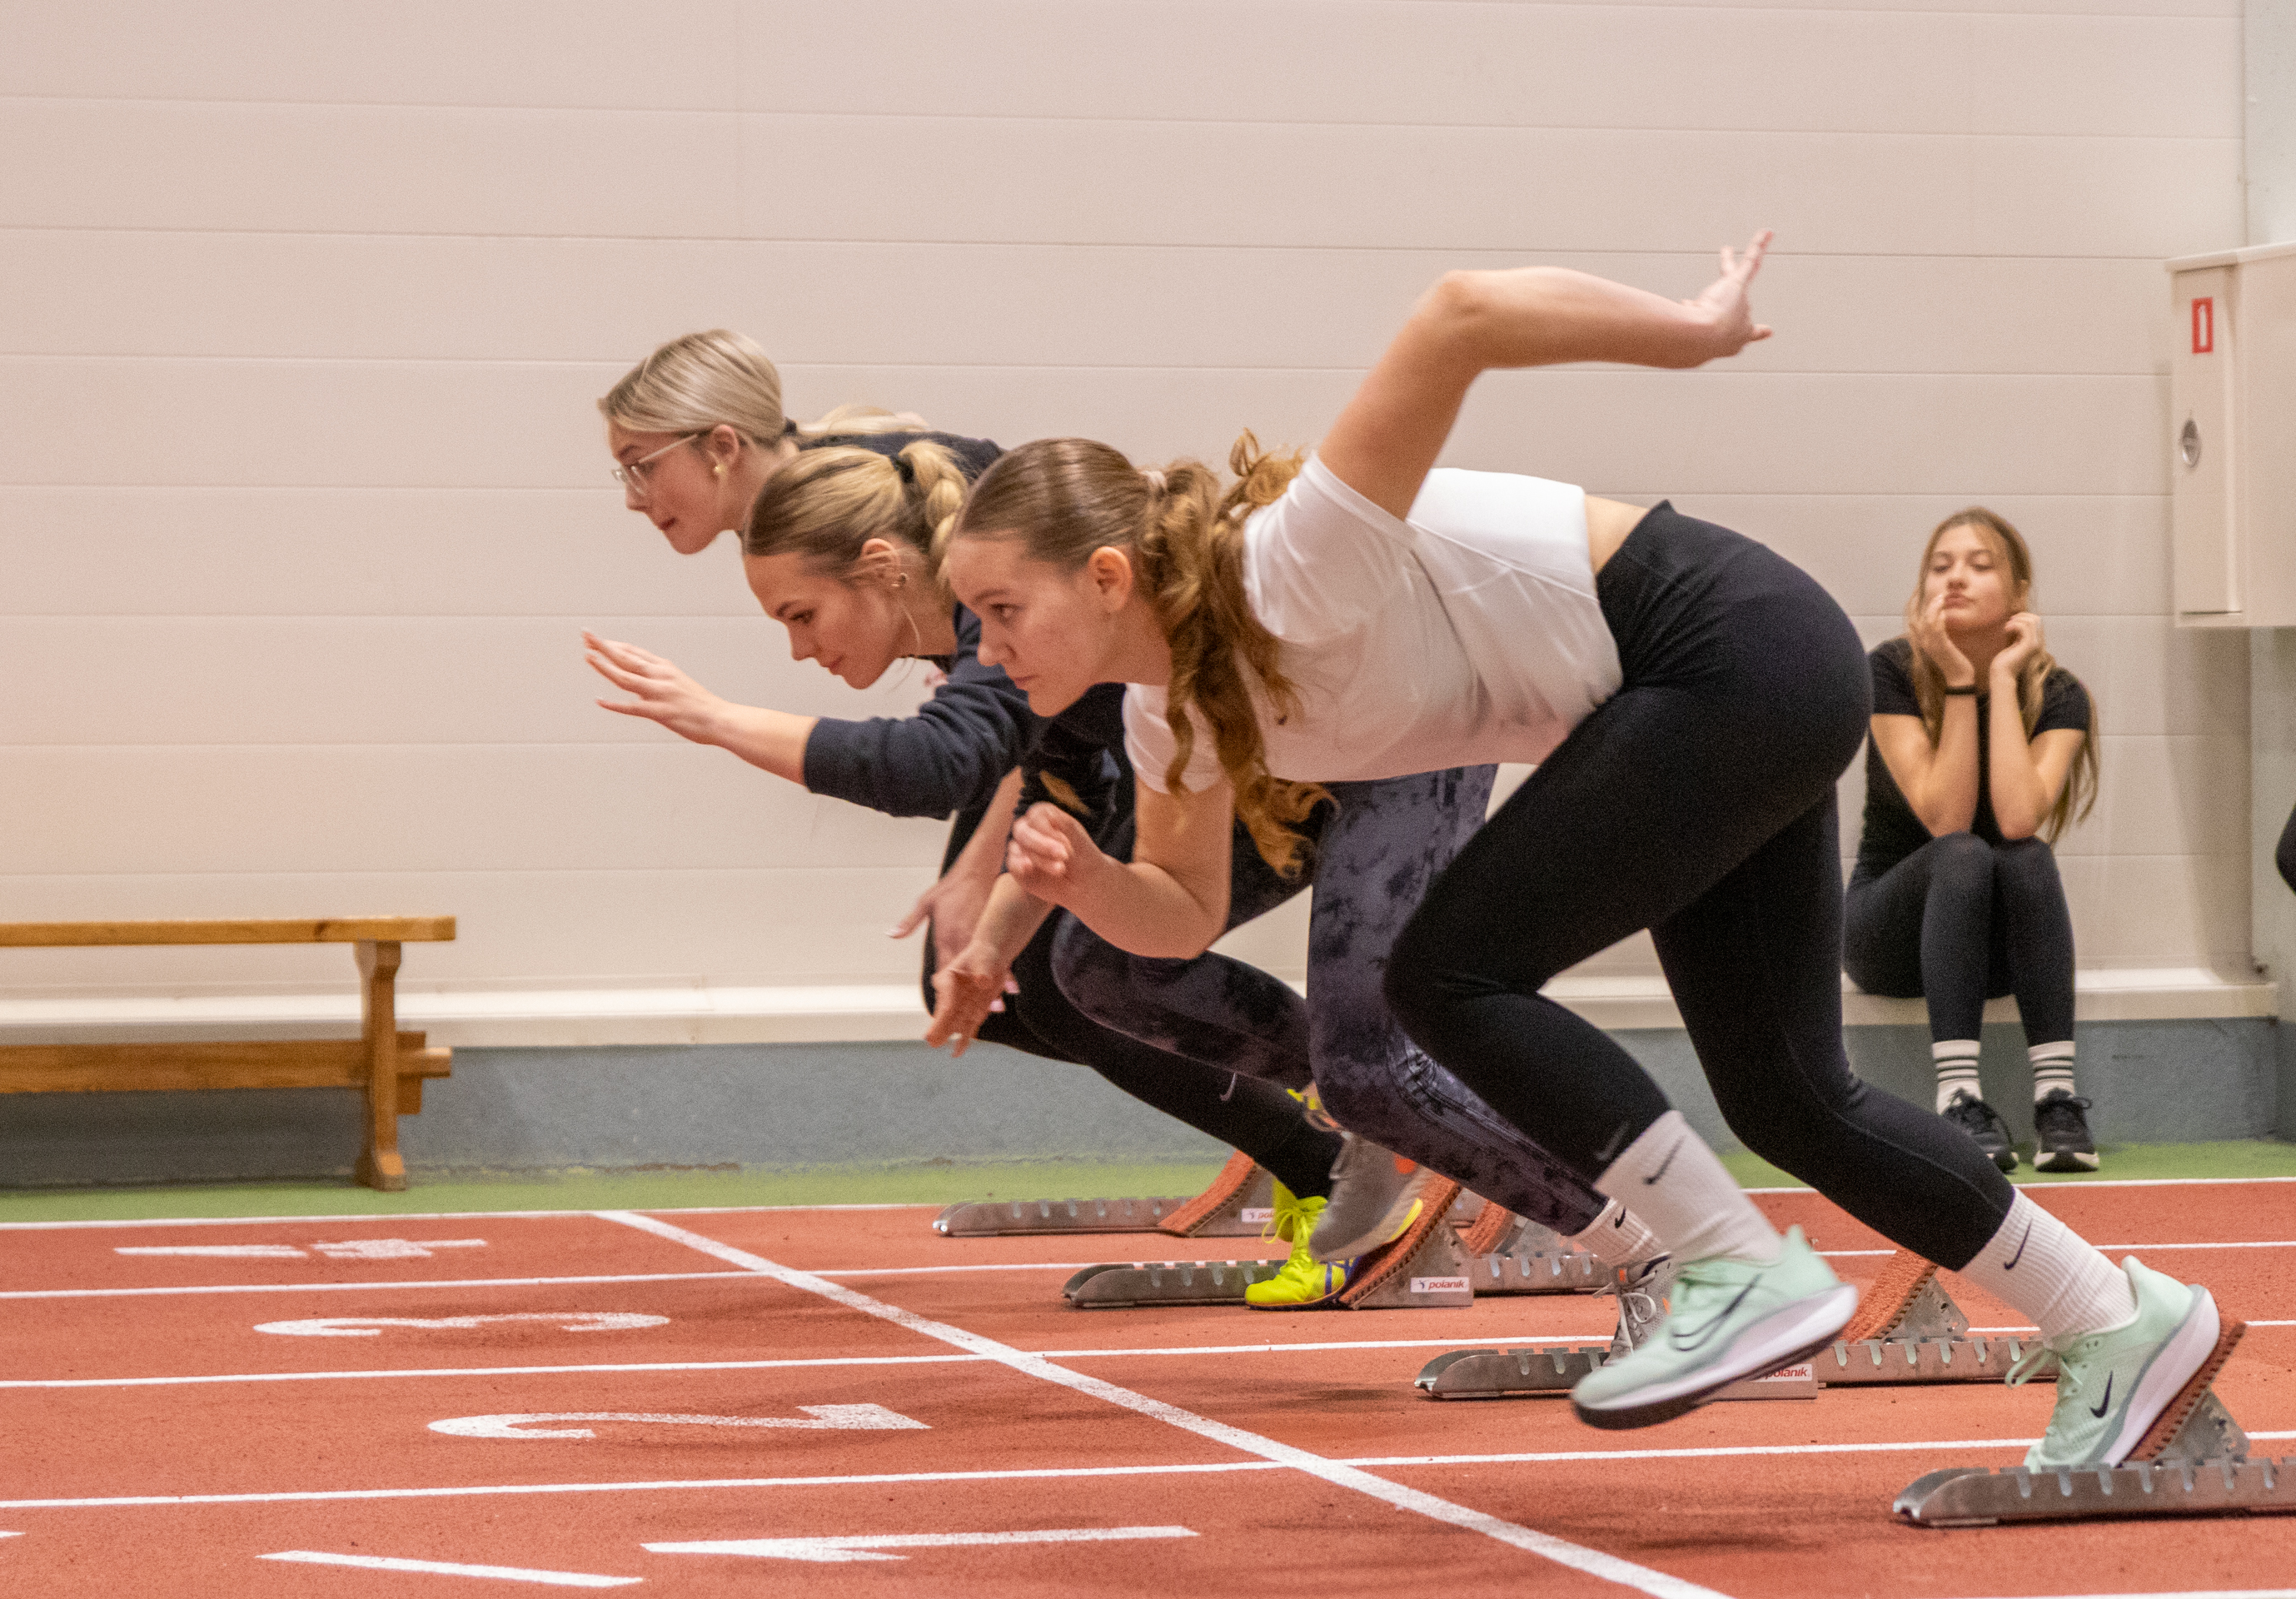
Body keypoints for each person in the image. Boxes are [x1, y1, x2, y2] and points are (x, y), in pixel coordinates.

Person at [931, 236, 2228, 1468]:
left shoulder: (1290, 567)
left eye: (1002, 609)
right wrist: (1090, 884)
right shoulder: (1171, 716)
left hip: (1731, 648)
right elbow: (1176, 916)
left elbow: (1459, 314)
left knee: (1442, 976)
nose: (987, 649)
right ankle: (2118, 1319)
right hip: (1716, 687)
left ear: (1109, 578)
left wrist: (1695, 329)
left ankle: (1732, 1270)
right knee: (1789, 1098)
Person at [581, 333, 1374, 1305]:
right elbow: (1044, 747)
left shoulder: (951, 561)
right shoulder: (927, 580)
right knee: (1022, 976)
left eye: (640, 464)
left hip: (1301, 751)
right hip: (1176, 750)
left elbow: (956, 752)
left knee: (1093, 970)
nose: (633, 495)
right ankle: (1330, 1129)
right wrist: (990, 898)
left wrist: (715, 719)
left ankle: (1366, 1132)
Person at [1844, 510, 2099, 1173]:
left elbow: (2016, 819)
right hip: (1889, 936)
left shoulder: (2059, 695)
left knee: (2025, 854)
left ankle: (2057, 1101)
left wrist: (2005, 679)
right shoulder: (1891, 672)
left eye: (1979, 566)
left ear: (2019, 594)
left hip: (1989, 954)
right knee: (1961, 853)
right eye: (1941, 566)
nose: (1955, 578)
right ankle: (1959, 1097)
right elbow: (1946, 819)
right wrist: (1959, 679)